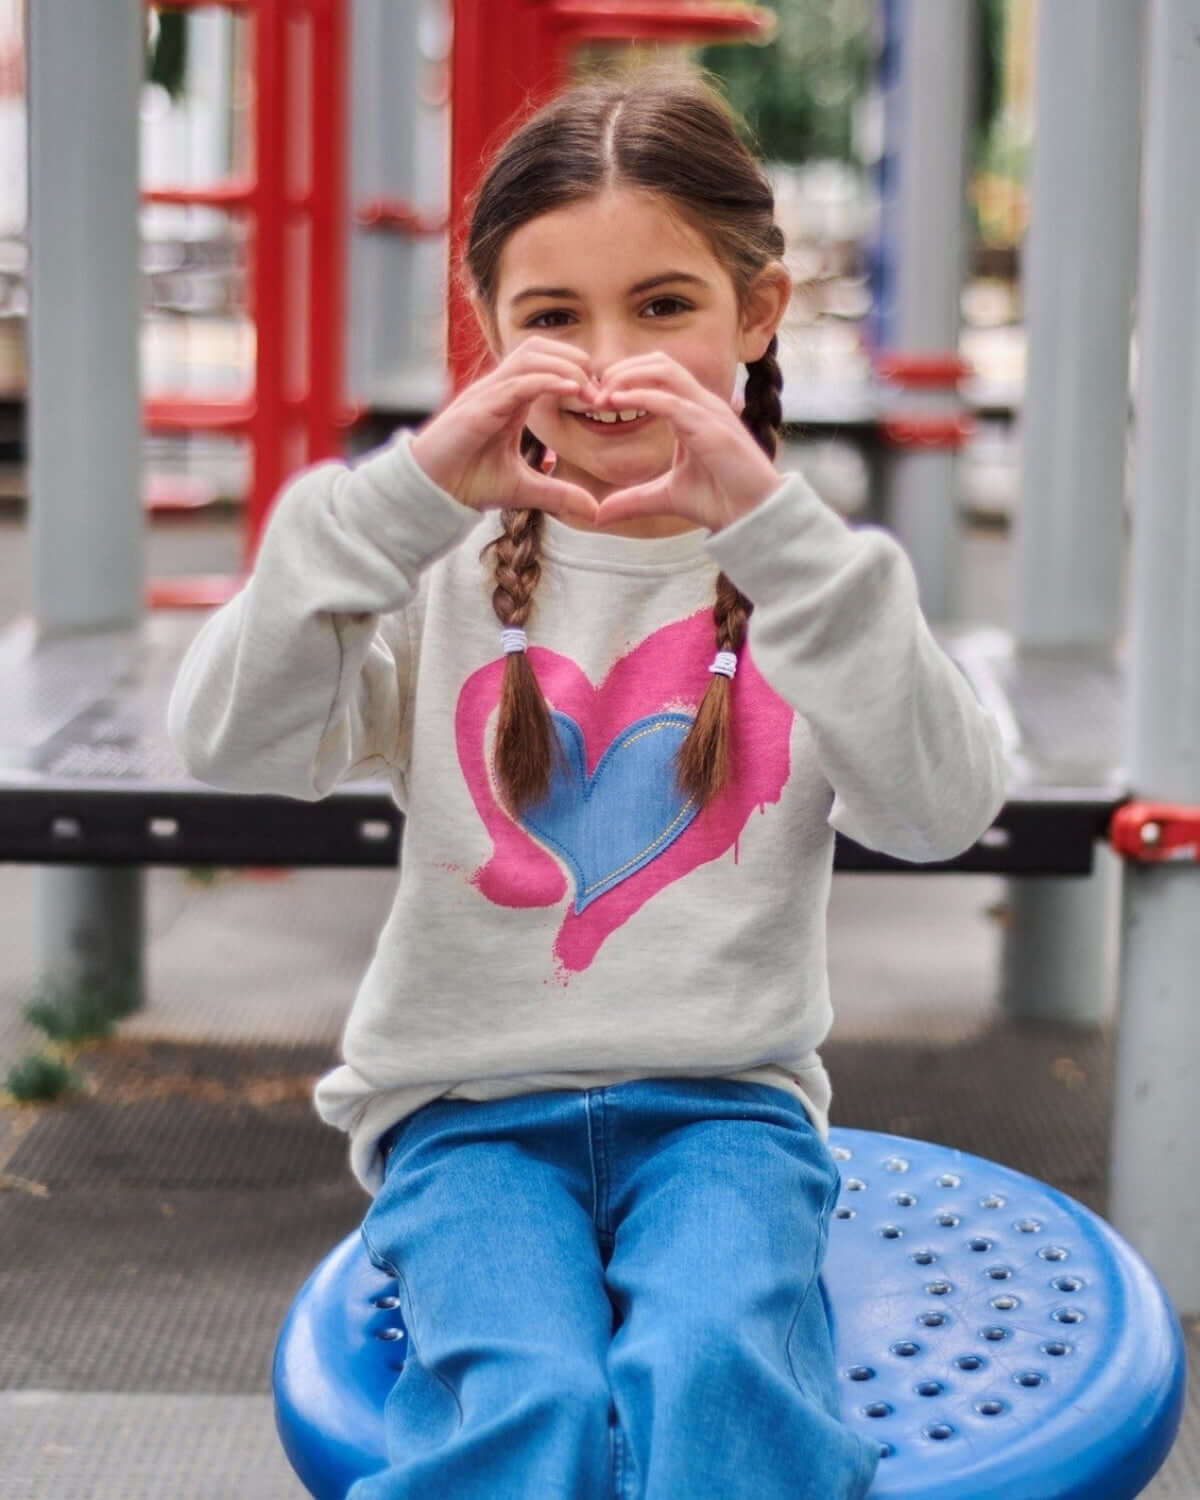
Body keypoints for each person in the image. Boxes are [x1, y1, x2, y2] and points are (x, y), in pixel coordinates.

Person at [167, 61, 1007, 1500]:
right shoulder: (434, 568)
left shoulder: (815, 582)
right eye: (554, 318)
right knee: (530, 1396)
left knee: (712, 1365)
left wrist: (778, 530)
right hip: (467, 1121)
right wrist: (405, 493)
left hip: (724, 1117)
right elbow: (230, 742)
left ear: (758, 313)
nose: (611, 362)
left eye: (665, 306)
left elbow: (940, 811)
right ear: (489, 335)